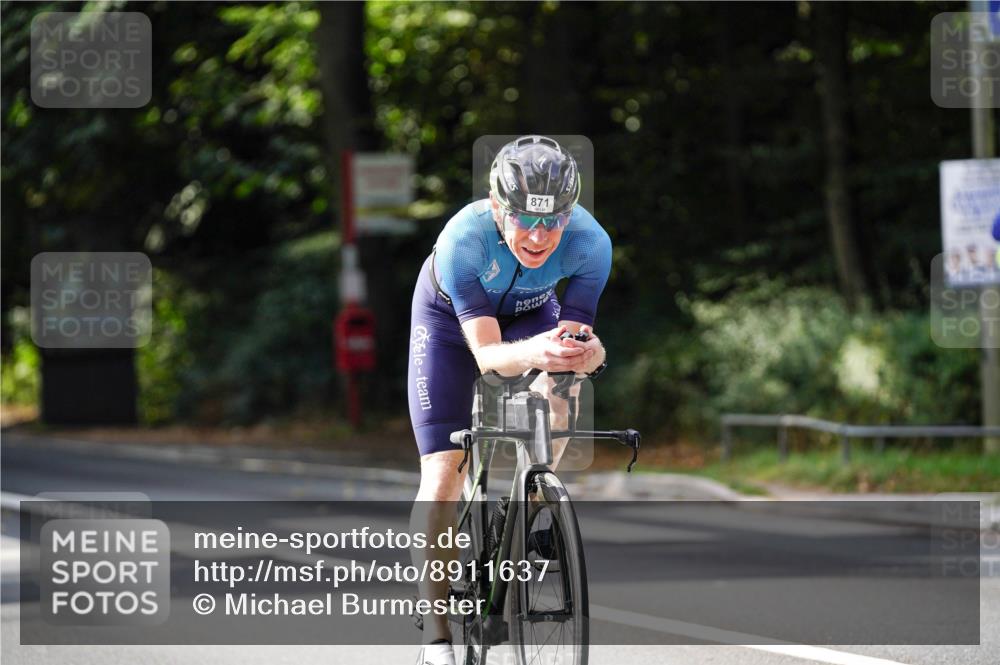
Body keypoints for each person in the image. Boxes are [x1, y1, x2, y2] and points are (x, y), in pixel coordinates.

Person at [407, 135, 611, 665]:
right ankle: (437, 637)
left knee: (564, 383)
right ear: (498, 207)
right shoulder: (463, 241)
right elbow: (488, 357)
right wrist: (536, 352)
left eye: (554, 220)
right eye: (525, 219)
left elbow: (575, 340)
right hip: (453, 328)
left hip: (532, 313)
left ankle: (529, 505)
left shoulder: (591, 244)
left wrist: (584, 356)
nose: (541, 237)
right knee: (443, 471)